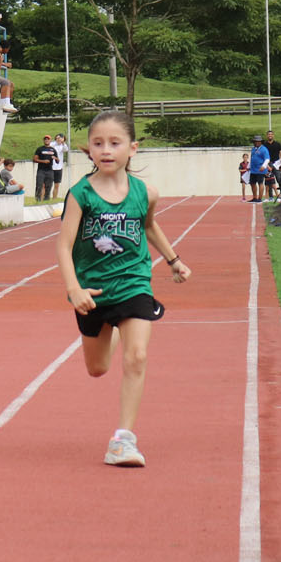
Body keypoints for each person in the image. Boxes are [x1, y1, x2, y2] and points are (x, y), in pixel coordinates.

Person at [57, 111, 190, 467]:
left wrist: (174, 260)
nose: (106, 150)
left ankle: (123, 441)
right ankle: (111, 330)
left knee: (138, 357)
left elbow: (150, 227)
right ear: (89, 150)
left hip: (134, 283)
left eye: (115, 143)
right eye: (98, 143)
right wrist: (74, 288)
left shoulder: (145, 192)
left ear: (132, 148)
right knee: (97, 368)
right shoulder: (80, 195)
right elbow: (63, 245)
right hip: (94, 291)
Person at [33, 134, 57, 201]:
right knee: (39, 185)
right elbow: (34, 159)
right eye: (45, 139)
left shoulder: (53, 150)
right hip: (41, 170)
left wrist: (56, 159)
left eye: (48, 139)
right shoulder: (40, 149)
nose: (46, 140)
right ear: (43, 140)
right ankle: (37, 199)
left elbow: (57, 160)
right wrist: (43, 161)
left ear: (50, 140)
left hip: (50, 170)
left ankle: (46, 199)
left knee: (49, 186)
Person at [247, 135, 269, 203]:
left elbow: (267, 159)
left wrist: (264, 166)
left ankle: (259, 198)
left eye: (258, 141)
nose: (256, 143)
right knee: (252, 183)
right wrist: (248, 166)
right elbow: (252, 158)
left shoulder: (264, 149)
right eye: (255, 141)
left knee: (260, 183)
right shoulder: (253, 149)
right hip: (253, 169)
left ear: (260, 142)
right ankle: (254, 197)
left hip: (260, 170)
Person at [51, 133, 69, 197]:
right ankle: (45, 198)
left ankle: (54, 199)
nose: (58, 139)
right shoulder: (52, 144)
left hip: (59, 168)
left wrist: (63, 142)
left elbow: (66, 149)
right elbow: (49, 147)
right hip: (51, 167)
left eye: (60, 138)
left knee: (57, 185)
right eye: (57, 138)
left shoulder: (63, 146)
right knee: (47, 184)